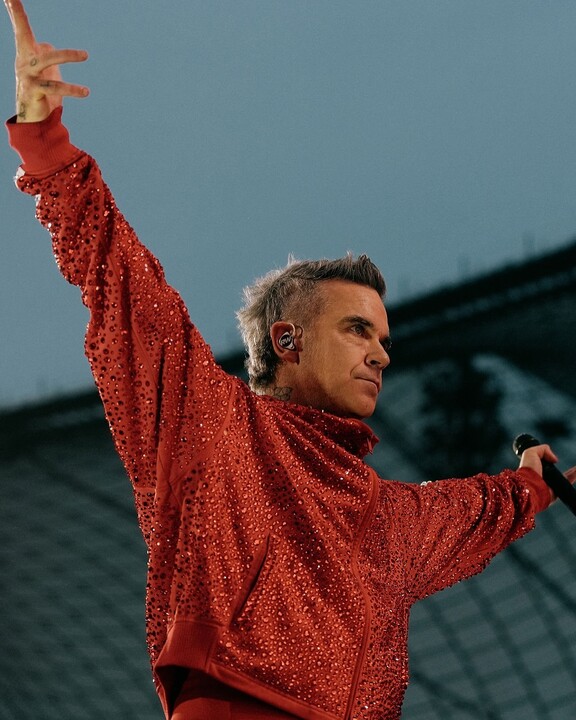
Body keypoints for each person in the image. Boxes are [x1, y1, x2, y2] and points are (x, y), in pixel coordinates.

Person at [4, 2, 575, 718]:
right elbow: (122, 287)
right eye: (357, 330)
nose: (380, 353)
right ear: (286, 341)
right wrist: (46, 144)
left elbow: (478, 510)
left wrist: (535, 486)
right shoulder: (210, 425)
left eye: (384, 339)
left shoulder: (385, 517)